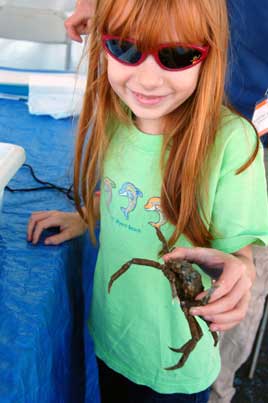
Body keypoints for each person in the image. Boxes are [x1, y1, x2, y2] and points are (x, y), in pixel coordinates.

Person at [27, 0, 268, 402]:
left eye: (176, 55)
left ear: (209, 54)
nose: (148, 80)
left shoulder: (233, 145)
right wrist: (88, 214)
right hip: (113, 339)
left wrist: (240, 270)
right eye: (125, 48)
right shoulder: (119, 116)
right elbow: (128, 188)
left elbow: (239, 252)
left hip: (176, 366)